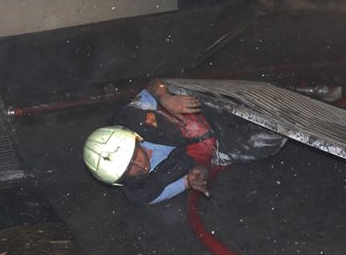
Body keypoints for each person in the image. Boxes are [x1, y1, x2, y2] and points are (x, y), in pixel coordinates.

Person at [82, 78, 286, 206]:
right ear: (121, 180)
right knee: (270, 140)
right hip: (212, 147)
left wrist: (165, 98)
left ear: (133, 138)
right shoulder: (144, 191)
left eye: (133, 154)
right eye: (129, 169)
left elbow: (154, 84)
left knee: (251, 95)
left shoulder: (129, 119)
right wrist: (199, 175)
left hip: (194, 111)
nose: (140, 164)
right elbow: (189, 180)